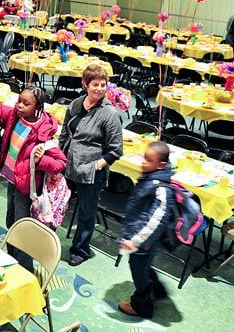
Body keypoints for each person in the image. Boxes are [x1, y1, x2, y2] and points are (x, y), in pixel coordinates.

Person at [0, 87, 66, 272]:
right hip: (12, 179)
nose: (19, 105)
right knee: (11, 222)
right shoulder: (15, 116)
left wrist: (41, 160)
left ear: (38, 107)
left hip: (27, 188)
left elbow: (60, 163)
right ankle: (11, 260)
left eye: (26, 103)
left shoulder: (43, 133)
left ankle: (25, 270)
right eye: (19, 101)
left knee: (22, 229)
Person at [59, 64, 123, 266]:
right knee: (56, 202)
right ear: (85, 84)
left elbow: (116, 150)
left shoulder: (109, 113)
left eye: (103, 85)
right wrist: (59, 157)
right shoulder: (76, 104)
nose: (100, 89)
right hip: (68, 164)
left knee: (86, 213)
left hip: (91, 171)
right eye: (95, 84)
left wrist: (97, 165)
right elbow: (65, 133)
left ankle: (80, 250)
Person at [117, 141, 174, 319]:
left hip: (144, 241)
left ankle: (141, 306)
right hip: (140, 237)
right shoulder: (152, 177)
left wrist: (135, 241)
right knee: (144, 267)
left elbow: (155, 221)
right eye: (144, 157)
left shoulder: (161, 188)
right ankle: (159, 292)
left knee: (139, 272)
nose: (143, 162)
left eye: (149, 160)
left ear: (161, 165)